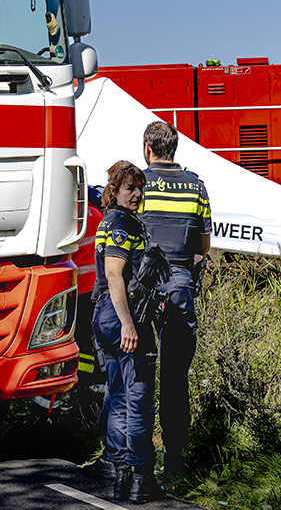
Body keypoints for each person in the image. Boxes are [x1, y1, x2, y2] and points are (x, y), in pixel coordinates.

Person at [140, 120, 212, 484]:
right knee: (174, 375)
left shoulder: (137, 186)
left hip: (142, 291)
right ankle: (175, 461)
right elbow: (203, 245)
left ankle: (135, 457)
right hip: (179, 288)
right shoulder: (196, 187)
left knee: (137, 371)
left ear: (148, 150)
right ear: (174, 150)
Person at [90, 160, 165, 503]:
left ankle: (121, 479)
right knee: (138, 399)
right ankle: (141, 479)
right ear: (115, 191)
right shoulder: (122, 224)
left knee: (119, 398)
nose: (137, 194)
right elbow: (115, 273)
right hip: (122, 314)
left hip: (104, 315)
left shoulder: (109, 221)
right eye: (129, 188)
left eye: (140, 188)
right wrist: (128, 323)